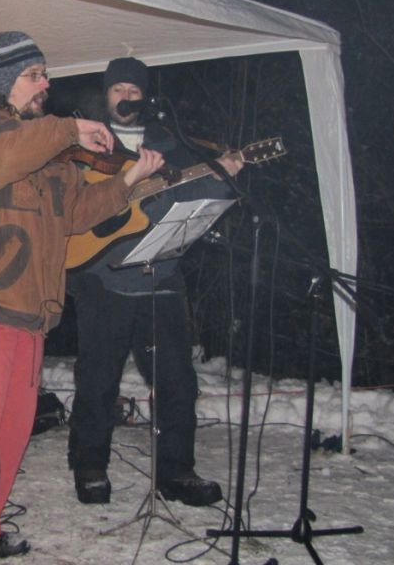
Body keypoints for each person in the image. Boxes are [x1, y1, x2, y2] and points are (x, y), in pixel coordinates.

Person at [0, 32, 165, 562]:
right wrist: (70, 128)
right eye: (34, 75)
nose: (45, 85)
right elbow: (2, 160)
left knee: (7, 442)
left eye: (46, 75)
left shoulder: (47, 145)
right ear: (2, 82)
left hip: (32, 317)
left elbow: (75, 214)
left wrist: (129, 178)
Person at [66, 57, 244, 507]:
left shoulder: (170, 144)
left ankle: (177, 471)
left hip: (160, 275)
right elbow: (72, 205)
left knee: (177, 380)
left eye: (134, 90)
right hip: (103, 275)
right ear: (106, 94)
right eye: (118, 89)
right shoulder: (85, 141)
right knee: (99, 378)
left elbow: (191, 195)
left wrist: (223, 178)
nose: (126, 97)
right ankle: (89, 466)